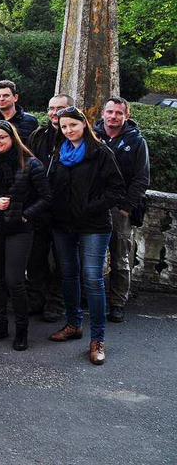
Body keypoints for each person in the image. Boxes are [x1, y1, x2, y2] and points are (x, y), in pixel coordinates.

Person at [46, 107, 126, 365]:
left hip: (93, 225)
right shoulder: (60, 153)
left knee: (92, 278)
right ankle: (73, 324)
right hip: (63, 224)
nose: (68, 130)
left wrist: (88, 207)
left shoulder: (101, 152)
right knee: (68, 274)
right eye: (64, 126)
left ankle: (98, 339)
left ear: (84, 124)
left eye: (72, 125)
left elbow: (116, 190)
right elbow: (51, 184)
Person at [0, 121, 51, 351]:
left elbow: (46, 197)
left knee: (14, 280)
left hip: (19, 229)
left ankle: (22, 330)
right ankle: (0, 324)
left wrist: (25, 216)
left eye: (1, 137)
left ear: (12, 138)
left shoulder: (31, 164)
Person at [94, 96, 151, 323]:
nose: (113, 116)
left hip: (120, 210)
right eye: (110, 112)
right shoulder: (94, 137)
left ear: (127, 115)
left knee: (120, 258)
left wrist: (127, 207)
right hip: (96, 206)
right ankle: (91, 296)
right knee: (93, 256)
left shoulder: (137, 141)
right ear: (103, 113)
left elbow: (141, 178)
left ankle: (117, 302)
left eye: (119, 113)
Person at [26, 94, 72, 322]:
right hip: (39, 208)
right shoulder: (39, 135)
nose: (55, 113)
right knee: (36, 258)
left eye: (61, 108)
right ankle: (36, 298)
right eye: (51, 108)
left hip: (66, 210)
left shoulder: (78, 137)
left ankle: (56, 303)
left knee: (62, 260)